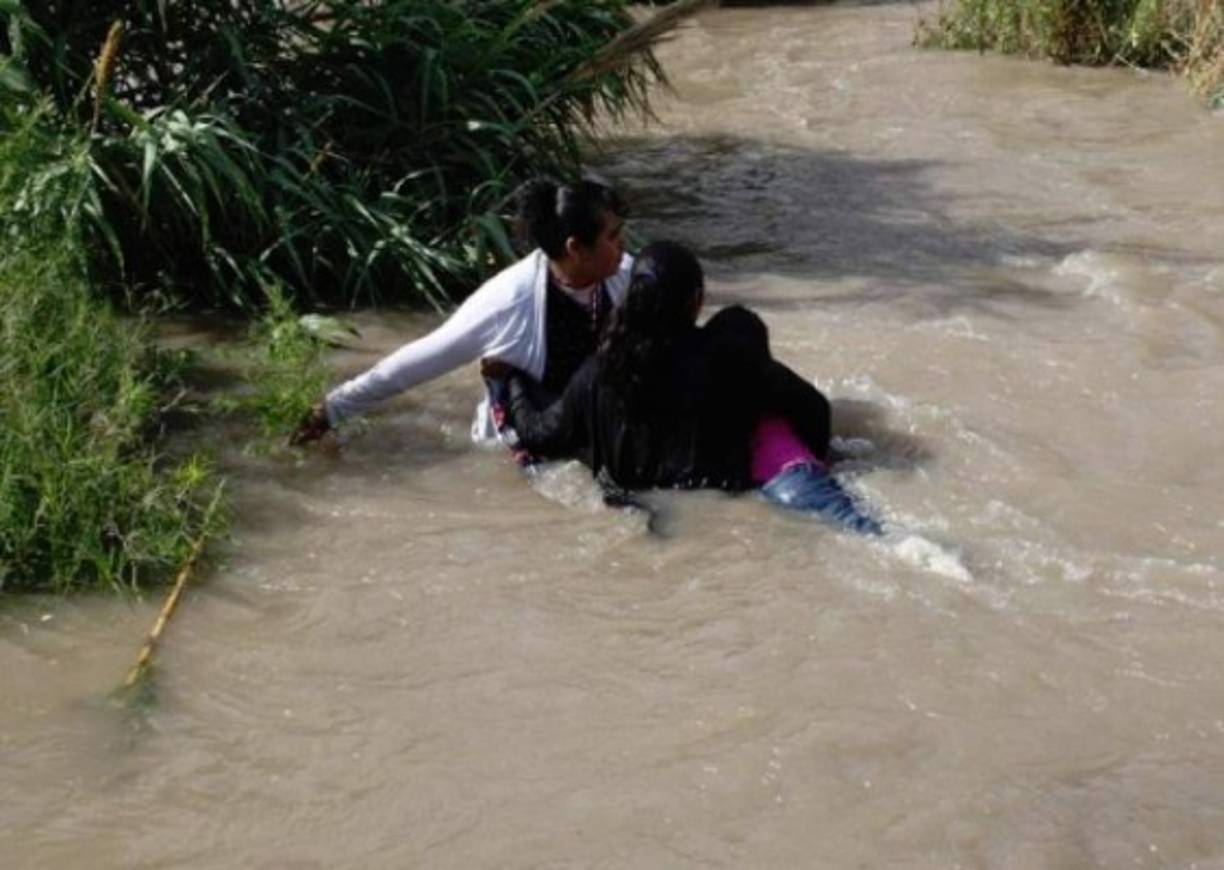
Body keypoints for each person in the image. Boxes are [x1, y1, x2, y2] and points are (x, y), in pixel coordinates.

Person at [486, 240, 882, 535]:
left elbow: (540, 434)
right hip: (730, 496)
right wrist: (818, 452)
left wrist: (510, 379)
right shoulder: (730, 357)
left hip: (644, 510)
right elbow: (814, 408)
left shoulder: (600, 372)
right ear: (696, 300)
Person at [290, 178, 634, 445]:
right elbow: (420, 360)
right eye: (614, 237)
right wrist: (332, 410)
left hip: (584, 425)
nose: (624, 247)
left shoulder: (628, 276)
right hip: (518, 447)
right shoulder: (508, 303)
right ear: (575, 248)